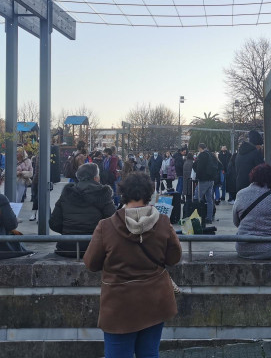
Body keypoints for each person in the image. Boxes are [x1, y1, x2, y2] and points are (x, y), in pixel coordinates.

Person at [83, 172, 182, 358]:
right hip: (155, 301)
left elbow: (91, 263)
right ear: (149, 194)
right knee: (149, 354)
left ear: (123, 194)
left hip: (119, 306)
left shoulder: (106, 226)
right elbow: (173, 258)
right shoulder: (163, 223)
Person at [50, 163, 116, 257]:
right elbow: (113, 222)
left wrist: (69, 231)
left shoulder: (67, 194)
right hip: (95, 249)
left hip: (67, 248)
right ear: (96, 177)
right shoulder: (103, 194)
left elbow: (54, 223)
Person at [193, 143, 217, 224]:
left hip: (203, 180)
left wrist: (197, 176)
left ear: (200, 148)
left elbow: (199, 167)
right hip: (211, 180)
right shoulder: (211, 154)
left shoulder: (202, 155)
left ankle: (198, 217)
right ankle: (209, 217)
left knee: (197, 197)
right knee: (209, 199)